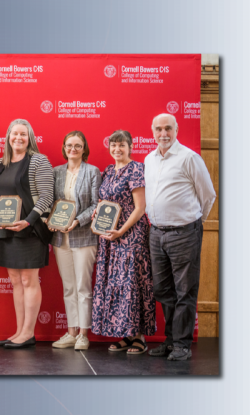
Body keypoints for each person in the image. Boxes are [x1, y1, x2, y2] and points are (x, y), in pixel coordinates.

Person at [143, 113, 216, 361]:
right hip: (157, 233)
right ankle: (171, 340)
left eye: (168, 129)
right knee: (164, 290)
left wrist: (193, 222)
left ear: (176, 130)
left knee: (185, 290)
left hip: (184, 233)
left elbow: (208, 195)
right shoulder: (149, 159)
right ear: (152, 131)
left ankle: (182, 345)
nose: (163, 134)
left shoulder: (189, 158)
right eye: (158, 129)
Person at [0, 119, 53, 349]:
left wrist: (28, 221)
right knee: (15, 280)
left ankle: (28, 333)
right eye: (14, 134)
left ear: (30, 137)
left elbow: (46, 196)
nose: (18, 138)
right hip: (6, 231)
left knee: (28, 279)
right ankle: (19, 332)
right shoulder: (1, 163)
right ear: (8, 137)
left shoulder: (39, 161)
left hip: (30, 231)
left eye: (23, 134)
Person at [91, 130, 156, 354]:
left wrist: (121, 231)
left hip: (131, 237)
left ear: (130, 147)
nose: (117, 149)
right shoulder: (108, 171)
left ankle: (140, 337)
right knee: (117, 285)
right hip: (110, 238)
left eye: (122, 145)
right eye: (113, 145)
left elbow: (140, 208)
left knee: (132, 285)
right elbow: (105, 203)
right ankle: (127, 335)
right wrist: (97, 215)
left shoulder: (137, 169)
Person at [47, 131, 102, 350]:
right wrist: (50, 219)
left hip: (84, 236)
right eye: (69, 145)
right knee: (69, 287)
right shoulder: (56, 172)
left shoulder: (92, 171)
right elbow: (51, 202)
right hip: (60, 237)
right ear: (64, 147)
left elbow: (96, 204)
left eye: (78, 146)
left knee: (83, 287)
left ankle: (83, 335)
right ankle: (70, 332)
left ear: (84, 148)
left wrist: (78, 221)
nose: (73, 149)